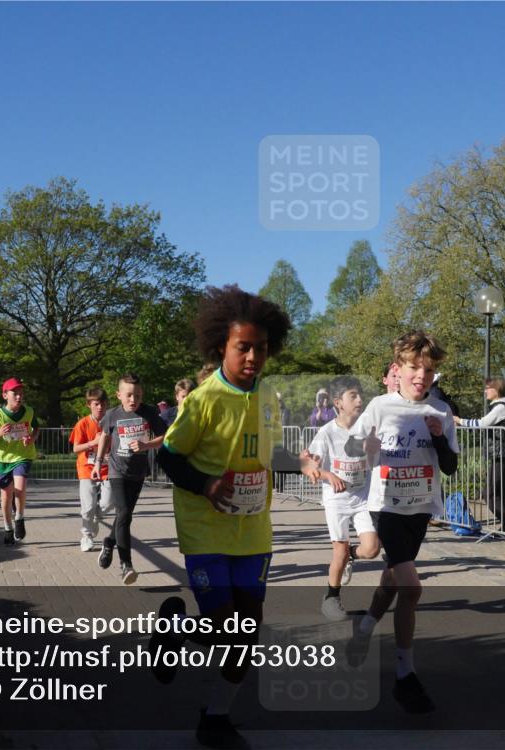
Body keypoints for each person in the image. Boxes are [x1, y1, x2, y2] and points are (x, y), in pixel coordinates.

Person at [154, 284, 291, 749]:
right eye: (243, 347)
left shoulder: (268, 397)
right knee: (224, 629)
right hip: (206, 529)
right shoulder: (202, 400)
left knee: (246, 635)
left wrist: (306, 462)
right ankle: (176, 627)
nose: (253, 357)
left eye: (261, 348)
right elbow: (169, 459)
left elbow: (266, 454)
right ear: (221, 348)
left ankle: (214, 717)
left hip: (254, 531)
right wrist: (208, 484)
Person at [345, 330, 458, 714]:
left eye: (428, 370)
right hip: (386, 507)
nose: (420, 376)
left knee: (393, 578)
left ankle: (363, 629)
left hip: (420, 508)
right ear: (399, 368)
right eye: (414, 368)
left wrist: (440, 439)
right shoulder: (380, 406)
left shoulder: (440, 412)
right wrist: (366, 449)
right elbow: (351, 448)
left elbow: (452, 467)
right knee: (411, 587)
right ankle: (405, 676)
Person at [303, 375, 380, 621]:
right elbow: (308, 462)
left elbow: (375, 459)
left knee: (371, 549)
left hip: (361, 496)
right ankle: (331, 599)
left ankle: (351, 558)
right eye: (353, 396)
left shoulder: (367, 428)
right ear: (338, 402)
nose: (359, 399)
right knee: (339, 551)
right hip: (336, 499)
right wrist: (323, 473)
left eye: (360, 394)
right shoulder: (326, 433)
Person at [91, 374, 167, 584]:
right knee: (123, 512)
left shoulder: (149, 412)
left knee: (125, 516)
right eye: (129, 395)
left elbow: (164, 436)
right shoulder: (112, 415)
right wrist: (98, 463)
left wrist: (146, 446)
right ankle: (126, 565)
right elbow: (105, 436)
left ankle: (109, 542)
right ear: (119, 395)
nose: (134, 400)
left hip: (138, 473)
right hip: (117, 471)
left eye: (138, 395)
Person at [0, 377, 40, 547]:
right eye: (14, 393)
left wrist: (31, 438)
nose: (18, 397)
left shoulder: (29, 411)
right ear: (5, 395)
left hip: (22, 455)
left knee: (20, 486)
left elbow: (36, 428)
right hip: (2, 459)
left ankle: (20, 518)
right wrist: (0, 433)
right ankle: (7, 528)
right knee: (6, 495)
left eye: (21, 394)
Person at [454, 377, 505, 527]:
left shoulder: (501, 407)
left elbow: (482, 423)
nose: (485, 391)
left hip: (502, 454)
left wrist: (459, 420)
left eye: (488, 388)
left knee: (491, 494)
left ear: (497, 389)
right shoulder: (500, 406)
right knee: (494, 493)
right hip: (500, 454)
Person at [69, 388, 114, 552]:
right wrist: (93, 443)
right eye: (96, 404)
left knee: (109, 503)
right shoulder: (82, 424)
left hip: (107, 469)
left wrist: (111, 454)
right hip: (86, 469)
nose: (100, 407)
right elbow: (75, 448)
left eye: (103, 404)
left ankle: (96, 517)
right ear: (89, 405)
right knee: (87, 506)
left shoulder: (112, 422)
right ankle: (86, 536)